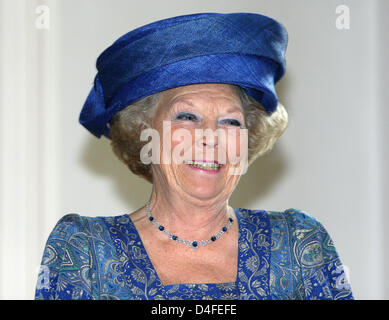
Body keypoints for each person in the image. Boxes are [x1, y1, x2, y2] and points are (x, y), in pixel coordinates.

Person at [34, 12, 353, 300]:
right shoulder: (85, 252)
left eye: (230, 121)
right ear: (144, 131)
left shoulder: (298, 246)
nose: (210, 138)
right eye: (187, 117)